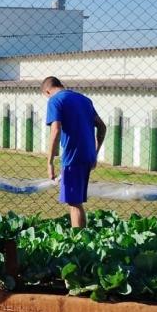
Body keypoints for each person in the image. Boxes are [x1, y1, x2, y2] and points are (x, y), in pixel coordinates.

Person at [42, 76, 107, 228]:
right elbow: (102, 127)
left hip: (73, 157)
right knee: (76, 202)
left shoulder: (55, 100)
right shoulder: (85, 100)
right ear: (61, 85)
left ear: (47, 91)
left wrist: (50, 162)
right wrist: (95, 153)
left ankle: (78, 244)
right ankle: (83, 238)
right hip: (87, 156)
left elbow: (56, 130)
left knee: (74, 203)